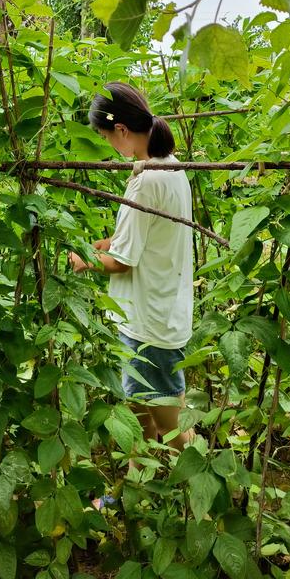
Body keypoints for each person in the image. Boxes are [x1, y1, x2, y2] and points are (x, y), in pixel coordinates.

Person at [69, 82, 194, 455]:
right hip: (159, 311)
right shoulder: (169, 168)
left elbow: (122, 263)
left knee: (174, 433)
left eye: (107, 137)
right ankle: (137, 491)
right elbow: (149, 234)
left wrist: (82, 261)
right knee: (141, 418)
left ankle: (202, 499)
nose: (110, 146)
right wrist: (109, 242)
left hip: (150, 324)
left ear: (121, 131)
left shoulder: (147, 180)